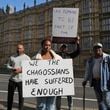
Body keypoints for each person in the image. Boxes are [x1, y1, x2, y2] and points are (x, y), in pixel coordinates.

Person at [32, 38, 62, 110]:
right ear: (42, 45)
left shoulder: (58, 58)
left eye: (49, 45)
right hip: (40, 87)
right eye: (45, 45)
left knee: (51, 106)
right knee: (41, 106)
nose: (47, 47)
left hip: (53, 86)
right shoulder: (35, 59)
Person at [82, 43, 110, 110]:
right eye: (95, 48)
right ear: (93, 50)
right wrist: (85, 80)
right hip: (95, 82)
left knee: (106, 101)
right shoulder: (90, 60)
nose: (97, 49)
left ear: (101, 49)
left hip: (105, 82)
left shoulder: (107, 58)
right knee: (100, 101)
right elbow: (88, 71)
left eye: (99, 48)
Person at [56, 37, 80, 110]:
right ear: (60, 48)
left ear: (66, 49)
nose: (64, 49)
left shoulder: (69, 55)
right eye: (62, 47)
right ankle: (58, 107)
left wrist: (78, 43)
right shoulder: (56, 55)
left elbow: (78, 52)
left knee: (69, 94)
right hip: (59, 77)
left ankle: (70, 107)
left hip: (68, 78)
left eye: (65, 47)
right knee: (58, 94)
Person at [6, 44, 30, 110]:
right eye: (17, 48)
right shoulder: (12, 57)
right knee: (10, 96)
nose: (18, 50)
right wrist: (12, 68)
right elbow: (7, 65)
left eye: (20, 48)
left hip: (21, 80)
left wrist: (22, 70)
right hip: (12, 80)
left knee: (21, 97)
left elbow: (30, 68)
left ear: (23, 49)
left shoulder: (27, 58)